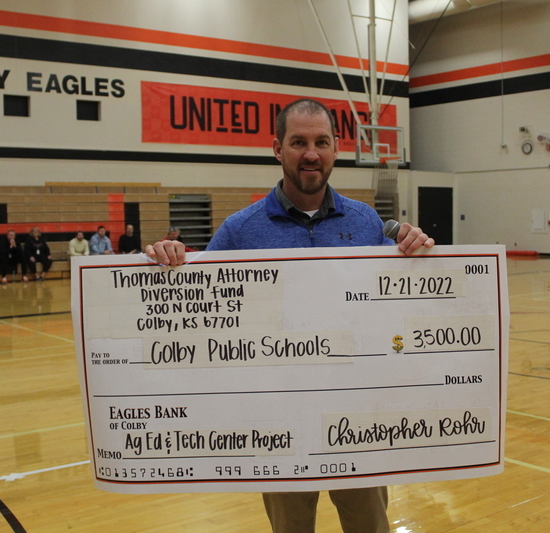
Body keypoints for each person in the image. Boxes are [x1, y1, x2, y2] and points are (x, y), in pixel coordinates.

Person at [147, 98, 434, 533]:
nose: (311, 153)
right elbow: (198, 302)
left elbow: (397, 305)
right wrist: (165, 261)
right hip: (278, 417)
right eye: (298, 142)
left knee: (370, 526)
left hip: (356, 412)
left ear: (337, 149)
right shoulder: (240, 230)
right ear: (277, 149)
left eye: (321, 142)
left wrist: (420, 254)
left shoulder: (367, 222)